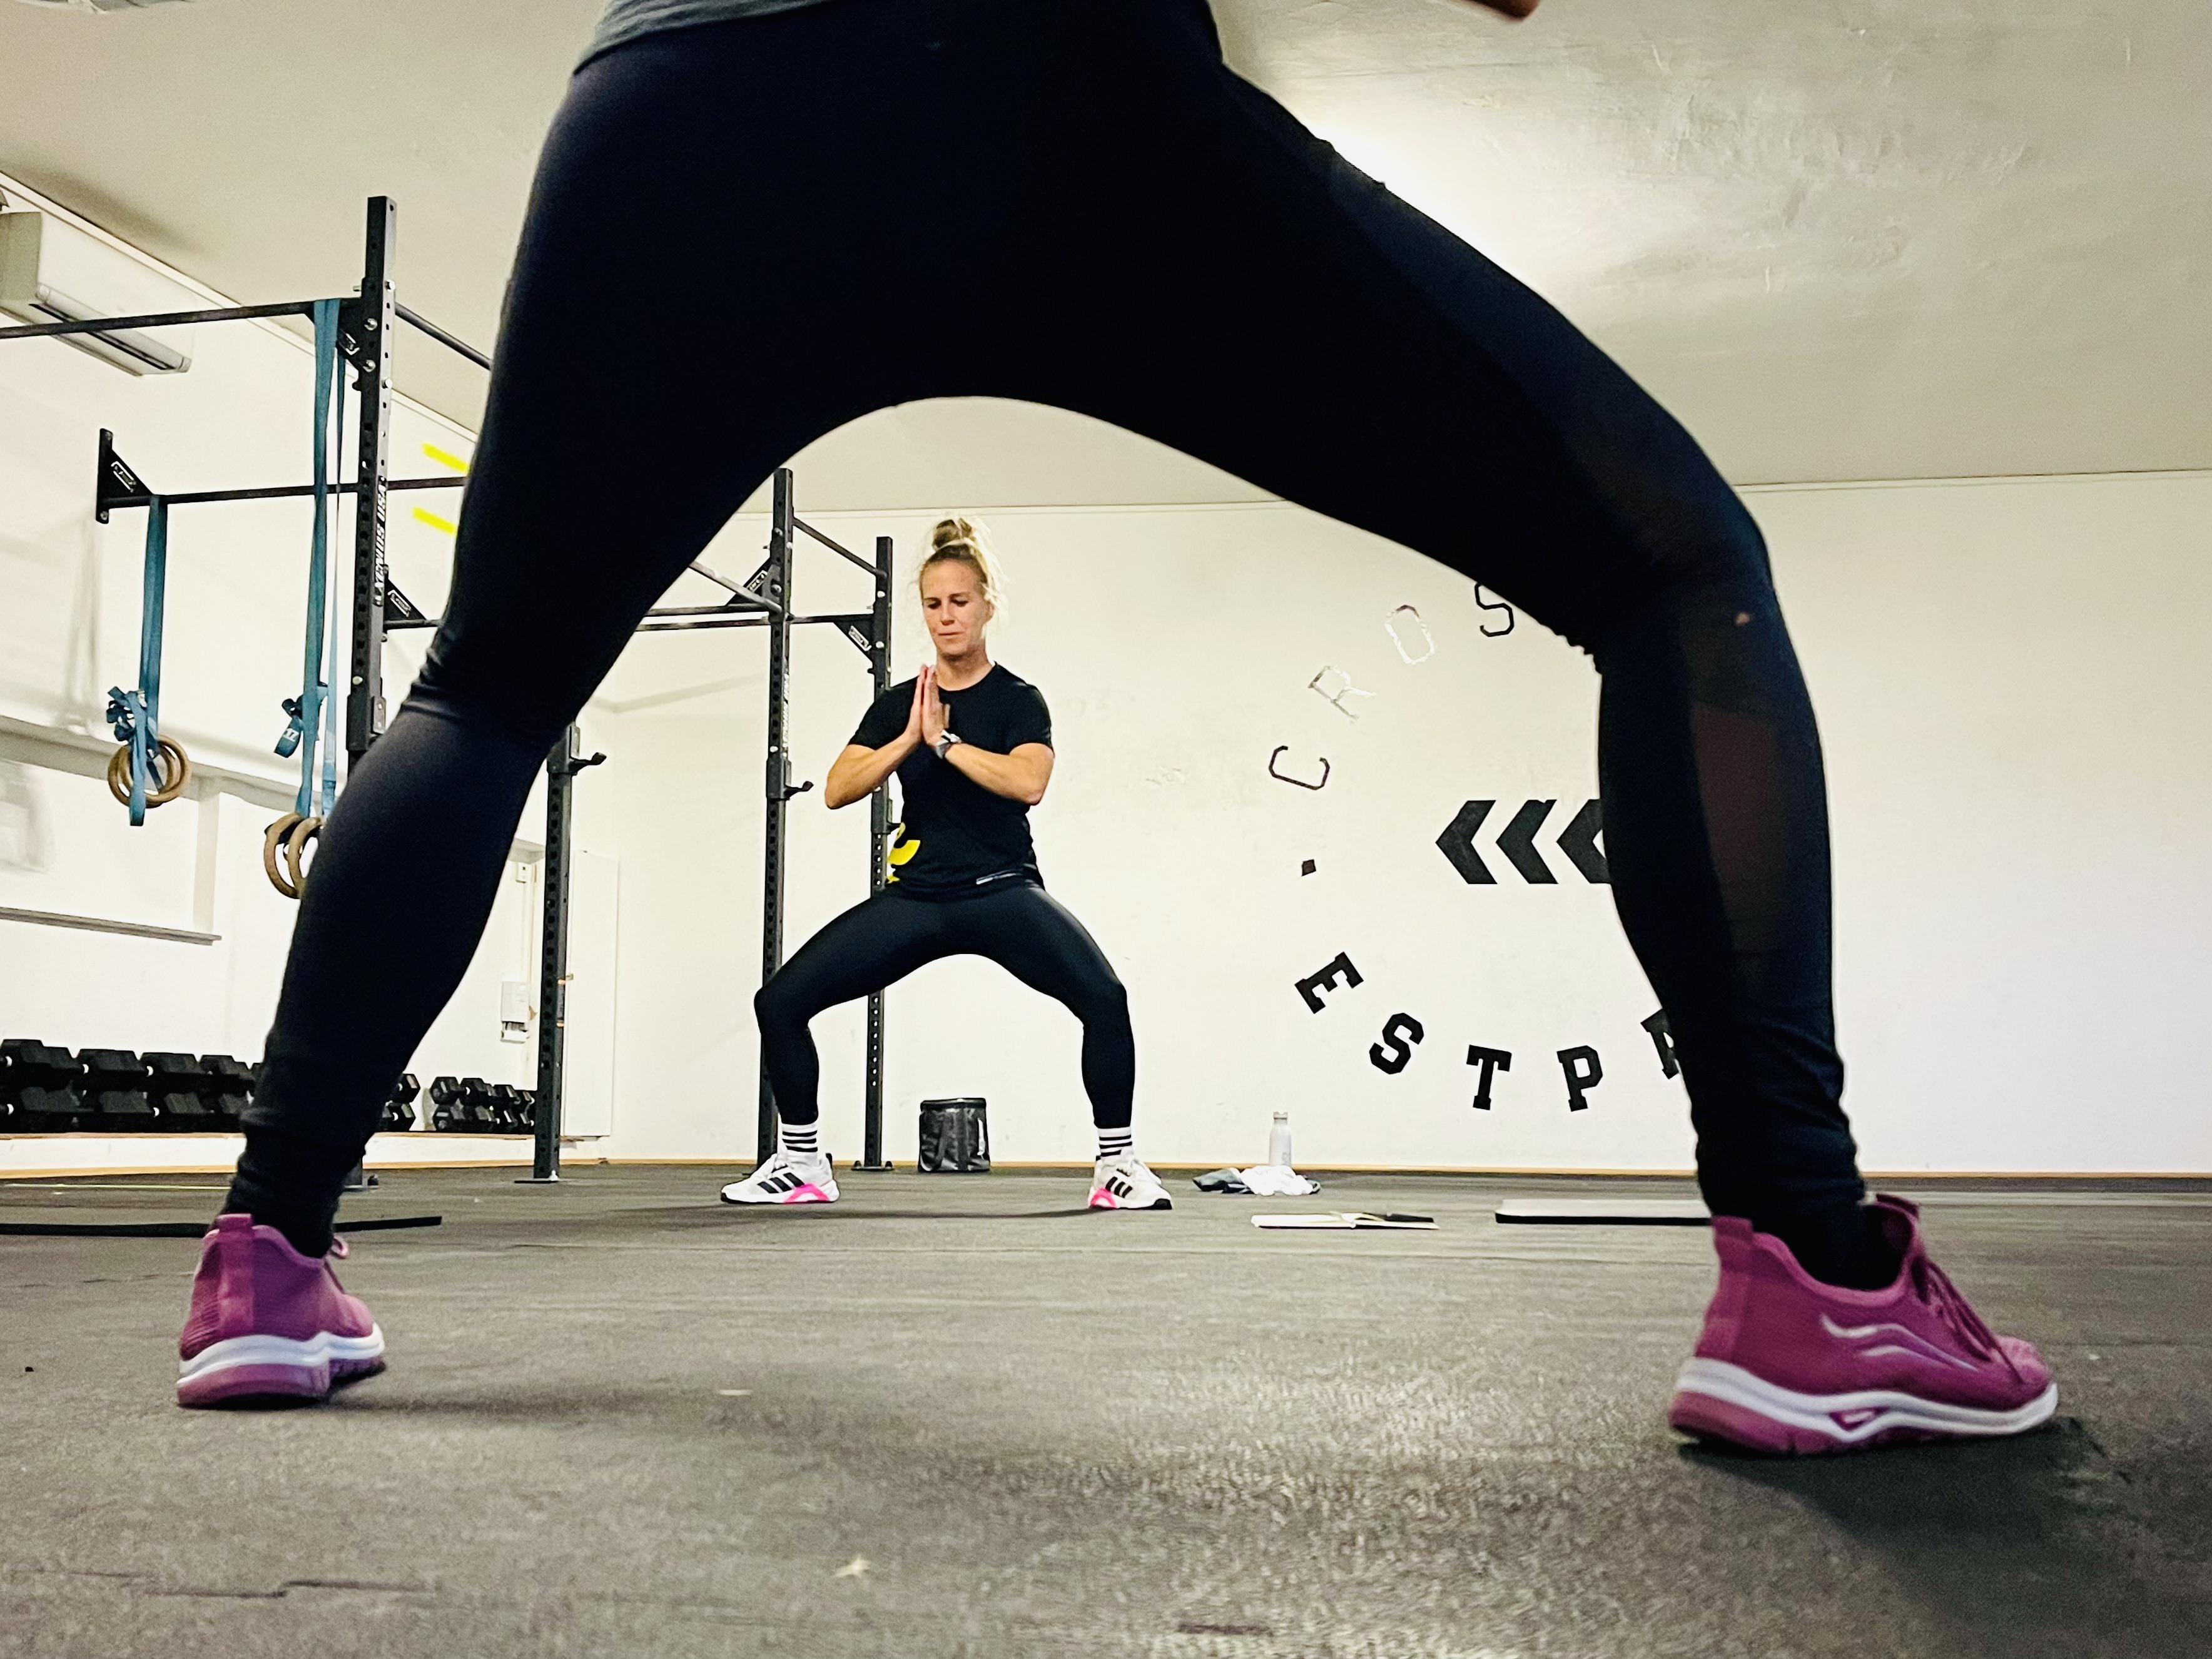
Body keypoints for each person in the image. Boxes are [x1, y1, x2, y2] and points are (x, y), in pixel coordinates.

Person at [176, 0, 2054, 1454]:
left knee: (485, 685)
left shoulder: (1008, 691)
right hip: (1042, 78)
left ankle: (265, 1251)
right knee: (1676, 567)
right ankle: (1815, 1266)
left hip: (680, 94)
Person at [723, 517, 1169, 1212]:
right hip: (918, 898)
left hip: (1001, 891)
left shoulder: (1017, 700)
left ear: (987, 606)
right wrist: (909, 738)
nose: (946, 616)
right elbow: (839, 789)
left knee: (1104, 999)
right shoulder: (901, 704)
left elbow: (1028, 783)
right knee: (779, 1003)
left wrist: (946, 743)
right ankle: (803, 1163)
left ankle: (1117, 1166)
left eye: (959, 602)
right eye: (933, 604)